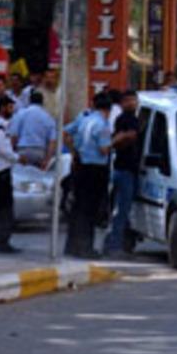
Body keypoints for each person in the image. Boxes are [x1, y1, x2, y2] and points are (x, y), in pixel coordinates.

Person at [64, 92, 114, 259]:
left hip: (81, 166)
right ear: (108, 110)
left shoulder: (84, 119)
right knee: (90, 210)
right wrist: (117, 140)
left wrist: (74, 152)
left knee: (78, 208)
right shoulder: (103, 125)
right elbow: (104, 149)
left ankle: (72, 246)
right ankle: (86, 248)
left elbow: (66, 132)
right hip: (96, 169)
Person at [103, 90, 141, 256]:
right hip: (124, 169)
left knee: (123, 211)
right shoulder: (126, 119)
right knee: (121, 210)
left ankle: (123, 242)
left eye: (134, 100)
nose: (132, 103)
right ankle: (113, 245)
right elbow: (128, 136)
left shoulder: (130, 119)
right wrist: (125, 137)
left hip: (128, 169)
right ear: (122, 103)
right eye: (128, 100)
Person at [0, 96, 23, 253]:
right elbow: (2, 149)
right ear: (2, 108)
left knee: (1, 209)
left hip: (1, 171)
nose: (12, 111)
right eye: (9, 107)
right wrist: (18, 158)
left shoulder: (2, 126)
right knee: (2, 209)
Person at [8, 91, 57, 168]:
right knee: (37, 178)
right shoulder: (48, 117)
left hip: (23, 150)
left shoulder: (21, 114)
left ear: (29, 101)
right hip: (40, 151)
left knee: (21, 177)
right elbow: (52, 141)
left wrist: (12, 153)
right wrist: (47, 160)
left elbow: (14, 136)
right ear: (42, 102)